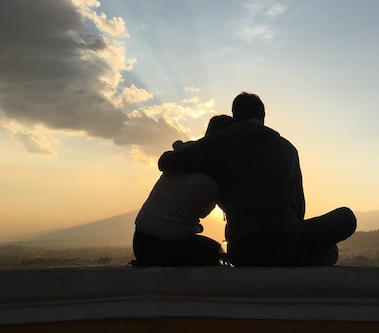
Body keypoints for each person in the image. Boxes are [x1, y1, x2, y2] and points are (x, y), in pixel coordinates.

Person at [158, 92, 356, 266]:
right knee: (344, 220)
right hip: (286, 246)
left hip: (241, 251)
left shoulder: (219, 142)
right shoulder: (287, 148)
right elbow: (299, 209)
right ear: (263, 117)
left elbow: (165, 162)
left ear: (235, 115)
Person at [132, 114, 233, 266]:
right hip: (169, 245)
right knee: (215, 252)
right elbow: (205, 212)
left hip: (141, 240)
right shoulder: (216, 175)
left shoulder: (183, 156)